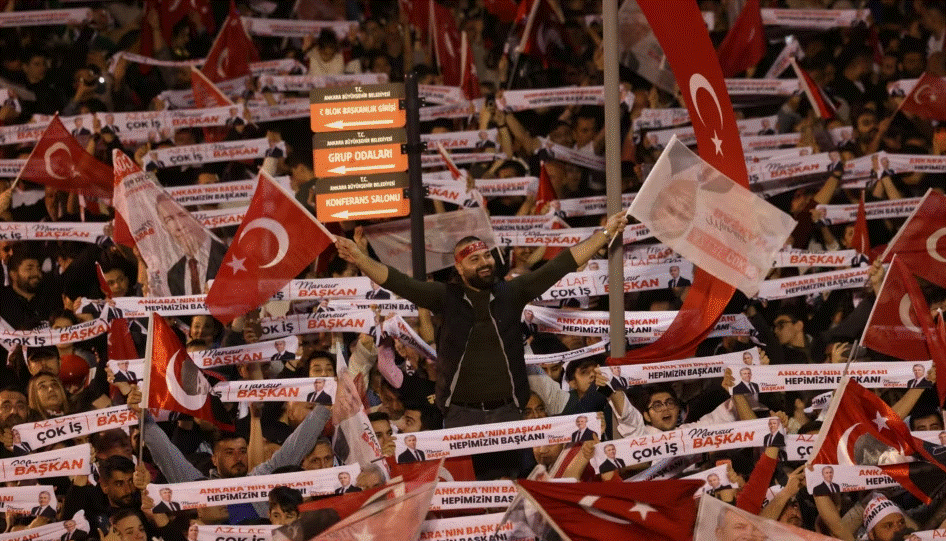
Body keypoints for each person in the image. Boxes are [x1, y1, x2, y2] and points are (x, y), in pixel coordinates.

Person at [333, 211, 628, 429]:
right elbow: (397, 281)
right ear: (460, 269)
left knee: (511, 482)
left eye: (486, 256)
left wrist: (605, 233)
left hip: (510, 411)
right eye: (474, 260)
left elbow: (559, 265)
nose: (484, 263)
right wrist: (360, 258)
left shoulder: (511, 292)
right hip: (461, 415)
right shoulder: (444, 297)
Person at [156, 193, 228, 296]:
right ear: (164, 227)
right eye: (169, 219)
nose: (179, 225)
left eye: (182, 215)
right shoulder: (173, 275)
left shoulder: (228, 256)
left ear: (197, 216)